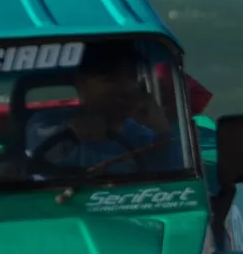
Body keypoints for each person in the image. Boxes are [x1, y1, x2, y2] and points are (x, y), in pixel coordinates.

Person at [25, 42, 179, 175]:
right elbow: (37, 146)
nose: (125, 88)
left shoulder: (142, 136)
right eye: (110, 79)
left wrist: (161, 129)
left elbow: (172, 177)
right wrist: (71, 128)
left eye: (131, 77)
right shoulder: (46, 121)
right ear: (82, 85)